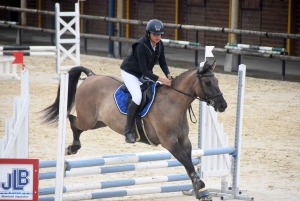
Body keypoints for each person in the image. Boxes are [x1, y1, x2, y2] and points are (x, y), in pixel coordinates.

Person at [120, 19, 173, 144]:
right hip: (130, 73)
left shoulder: (160, 44)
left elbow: (163, 62)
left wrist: (168, 75)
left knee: (159, 88)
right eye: (155, 34)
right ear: (148, 33)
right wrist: (162, 79)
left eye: (159, 34)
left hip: (143, 73)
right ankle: (128, 131)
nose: (157, 37)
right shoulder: (141, 46)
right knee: (137, 97)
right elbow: (145, 71)